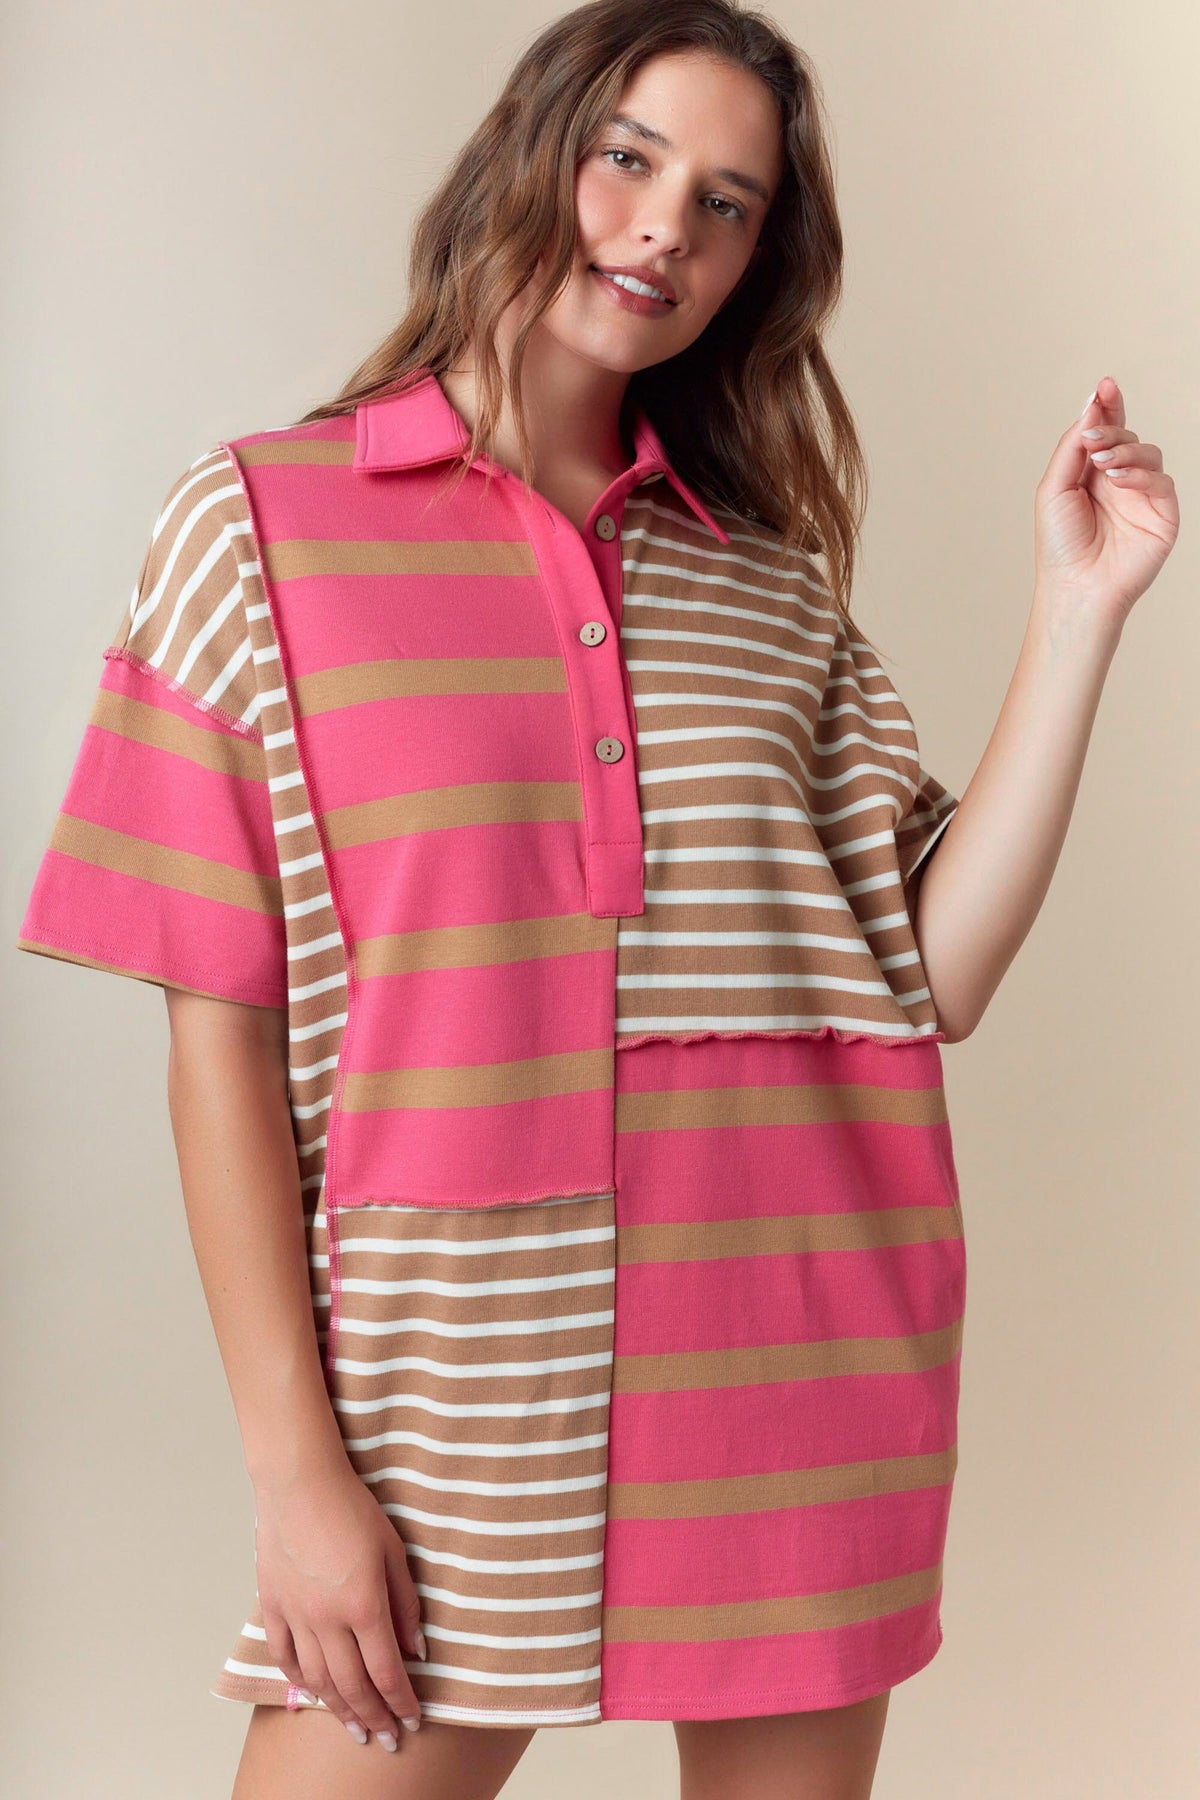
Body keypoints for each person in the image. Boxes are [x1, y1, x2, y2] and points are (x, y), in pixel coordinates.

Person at [14, 2, 1178, 1796]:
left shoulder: (762, 583)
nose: (661, 229)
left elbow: (930, 973)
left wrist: (1080, 612)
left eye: (726, 203)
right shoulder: (254, 531)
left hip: (794, 1361)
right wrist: (296, 1473)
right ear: (530, 150)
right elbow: (217, 1039)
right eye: (628, 157)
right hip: (449, 1381)